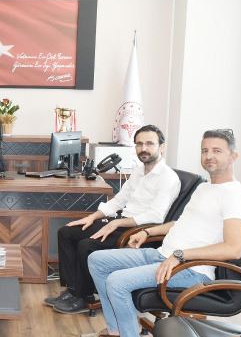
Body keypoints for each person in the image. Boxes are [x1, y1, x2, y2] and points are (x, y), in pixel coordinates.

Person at [82, 129, 241, 337]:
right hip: (163, 254)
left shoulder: (235, 196)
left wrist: (181, 255)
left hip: (192, 270)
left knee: (117, 281)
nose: (209, 156)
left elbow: (233, 248)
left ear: (233, 156)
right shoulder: (205, 188)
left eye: (217, 151)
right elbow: (179, 224)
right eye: (205, 150)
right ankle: (117, 330)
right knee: (97, 260)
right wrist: (147, 232)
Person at [49, 125, 181, 314]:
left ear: (161, 147)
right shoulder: (138, 172)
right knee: (67, 232)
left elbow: (156, 216)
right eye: (139, 144)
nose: (143, 148)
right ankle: (72, 290)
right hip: (122, 222)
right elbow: (119, 201)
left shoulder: (168, 178)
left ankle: (83, 296)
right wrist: (92, 217)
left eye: (149, 144)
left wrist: (117, 222)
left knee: (87, 245)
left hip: (141, 232)